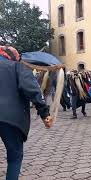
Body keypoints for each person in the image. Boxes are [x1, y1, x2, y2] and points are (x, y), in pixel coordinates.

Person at [0, 46, 53, 180]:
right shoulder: (17, 67)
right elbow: (32, 89)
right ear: (12, 56)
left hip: (8, 118)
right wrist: (44, 113)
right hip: (10, 119)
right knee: (15, 156)